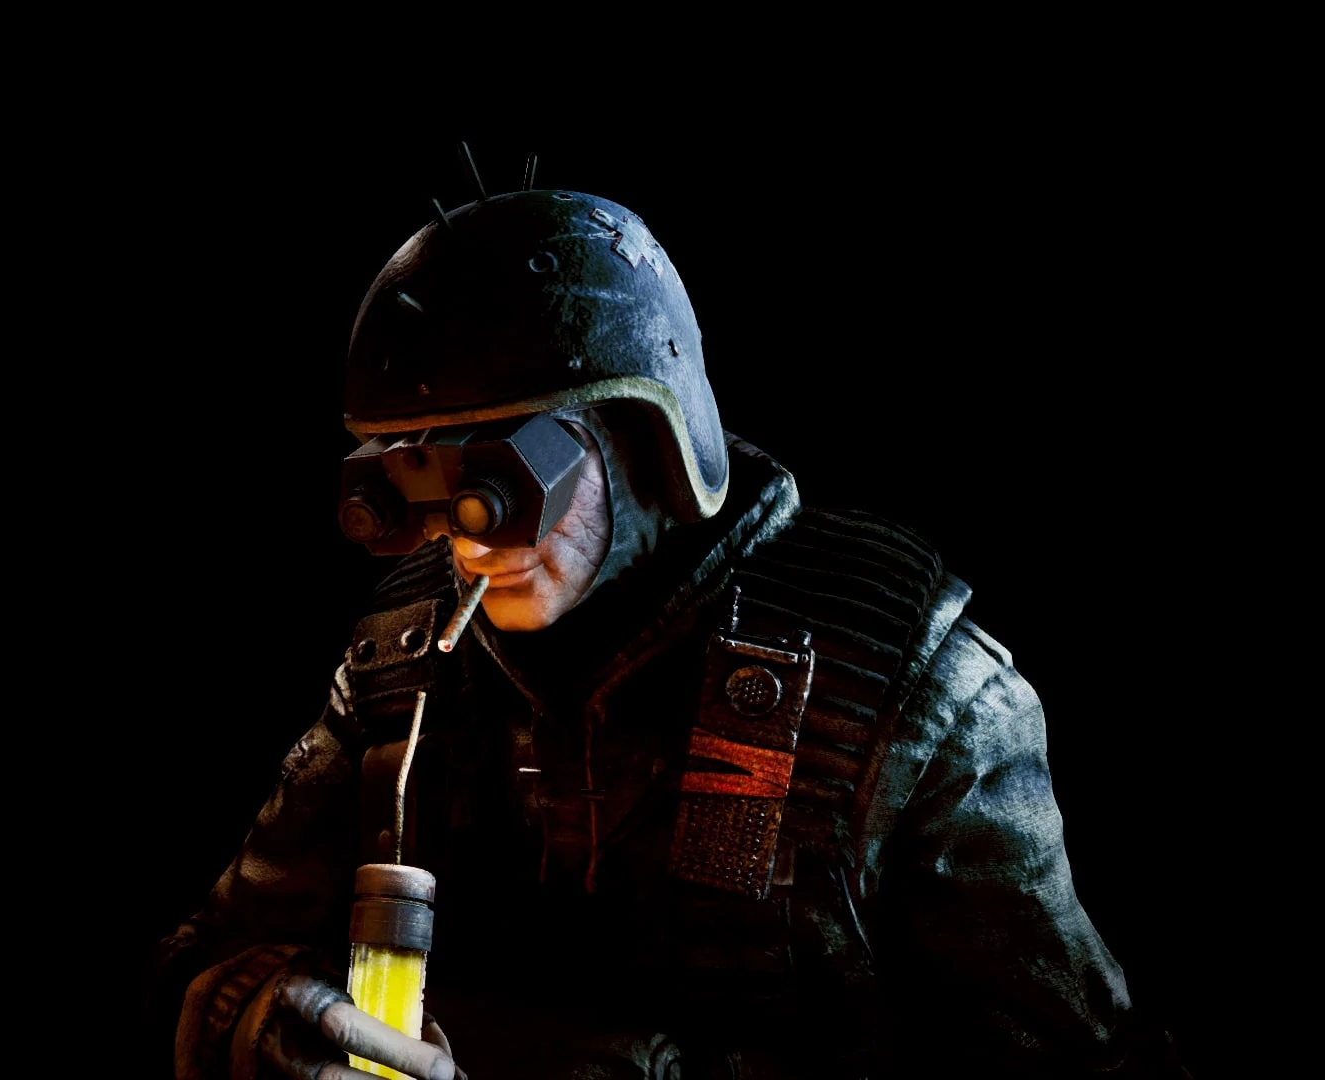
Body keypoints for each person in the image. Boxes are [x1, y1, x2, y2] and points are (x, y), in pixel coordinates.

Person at [144, 181, 1191, 1079]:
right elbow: (203, 960)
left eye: (503, 481)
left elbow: (1084, 1063)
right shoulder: (404, 676)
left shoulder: (908, 698)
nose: (467, 540)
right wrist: (254, 1020)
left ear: (640, 441)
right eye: (419, 477)